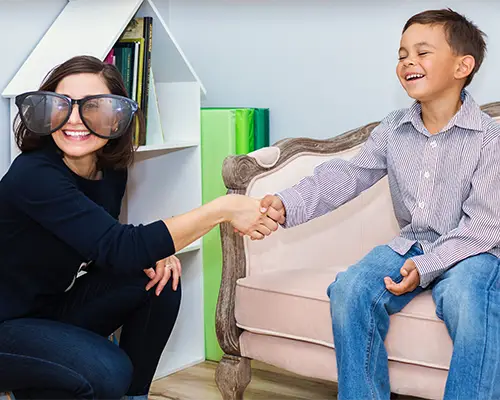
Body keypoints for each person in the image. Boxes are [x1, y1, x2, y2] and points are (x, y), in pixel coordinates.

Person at [0, 55, 282, 400]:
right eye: (63, 106)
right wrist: (222, 208)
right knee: (108, 370)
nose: (74, 120)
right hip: (5, 326)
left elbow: (99, 244)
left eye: (94, 108)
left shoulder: (109, 171)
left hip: (45, 313)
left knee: (158, 278)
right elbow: (119, 247)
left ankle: (126, 394)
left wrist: (152, 254)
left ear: (117, 117)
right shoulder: (33, 175)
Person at [260, 8, 500, 399]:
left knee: (468, 297)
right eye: (402, 54)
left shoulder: (490, 139)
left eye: (422, 53)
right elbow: (347, 176)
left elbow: (485, 227)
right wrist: (289, 203)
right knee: (350, 289)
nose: (408, 62)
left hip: (472, 251)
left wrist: (425, 268)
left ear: (463, 66)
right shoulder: (393, 128)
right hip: (411, 243)